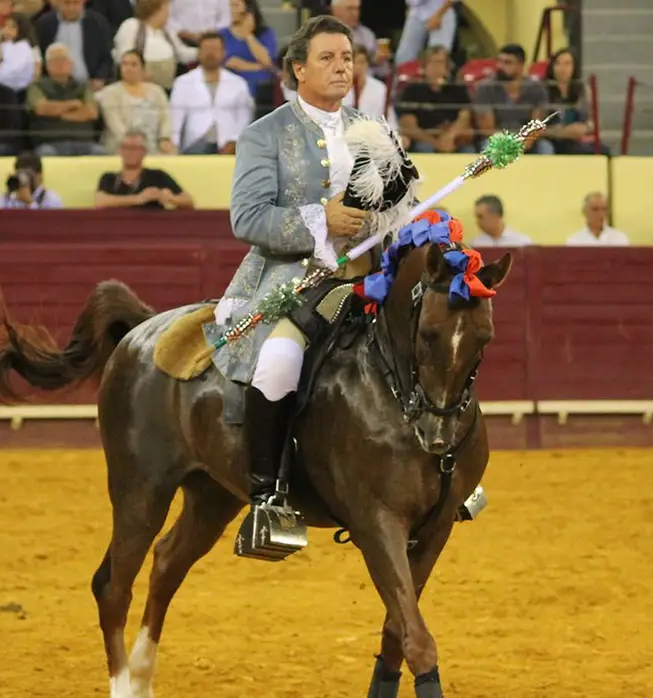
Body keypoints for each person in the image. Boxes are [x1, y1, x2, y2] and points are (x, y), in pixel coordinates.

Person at [206, 15, 420, 508]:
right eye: (328, 58)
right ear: (298, 69)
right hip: (297, 282)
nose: (342, 68)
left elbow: (399, 208)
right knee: (279, 362)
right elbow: (249, 219)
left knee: (435, 341)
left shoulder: (376, 131)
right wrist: (320, 219)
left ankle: (449, 474)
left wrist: (392, 218)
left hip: (372, 280)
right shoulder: (264, 135)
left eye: (347, 58)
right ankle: (266, 496)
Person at [94, 131, 194, 209]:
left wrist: (171, 199)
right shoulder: (109, 178)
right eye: (127, 148)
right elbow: (100, 201)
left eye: (136, 148)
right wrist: (139, 199)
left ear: (144, 151)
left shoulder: (158, 176)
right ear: (120, 151)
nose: (131, 152)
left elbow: (189, 202)